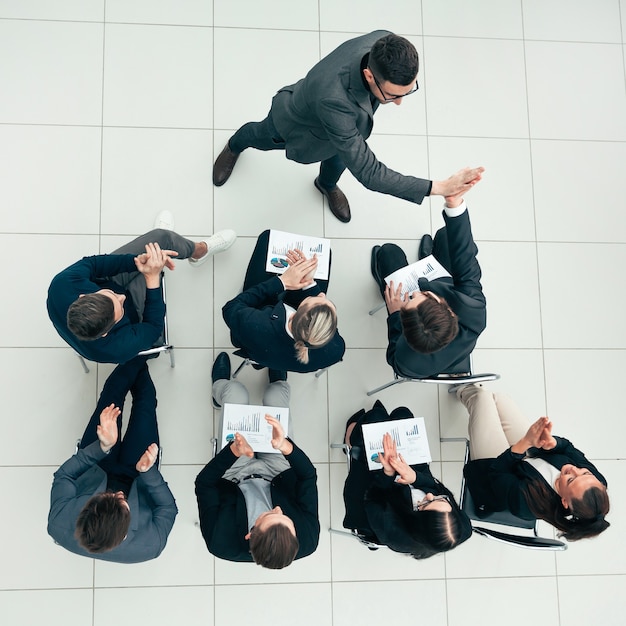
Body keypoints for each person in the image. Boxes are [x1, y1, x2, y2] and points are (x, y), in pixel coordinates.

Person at [212, 30, 483, 223]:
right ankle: (234, 146)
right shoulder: (334, 100)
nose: (399, 103)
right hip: (297, 124)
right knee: (259, 134)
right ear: (368, 75)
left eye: (407, 92)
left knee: (338, 162)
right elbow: (369, 172)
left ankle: (325, 184)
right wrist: (440, 187)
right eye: (392, 95)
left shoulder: (384, 43)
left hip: (342, 133)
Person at [47, 216, 236, 363]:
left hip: (108, 280)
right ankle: (160, 257)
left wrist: (138, 262)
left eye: (111, 295)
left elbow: (93, 264)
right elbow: (153, 328)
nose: (121, 296)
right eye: (119, 306)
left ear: (84, 295)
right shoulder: (114, 347)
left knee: (162, 238)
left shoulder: (61, 284)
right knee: (158, 257)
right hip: (139, 322)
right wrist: (151, 279)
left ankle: (198, 251)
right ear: (105, 332)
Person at [195, 352, 320, 568]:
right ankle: (277, 376)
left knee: (235, 392)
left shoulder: (220, 542)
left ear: (249, 534)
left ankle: (219, 390)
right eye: (286, 518)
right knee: (276, 393)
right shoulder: (307, 538)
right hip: (278, 472)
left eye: (270, 514)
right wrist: (285, 446)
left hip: (234, 477)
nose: (279, 510)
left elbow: (204, 483)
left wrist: (233, 452)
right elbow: (308, 477)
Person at [47, 356, 178, 562]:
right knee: (145, 406)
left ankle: (137, 353)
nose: (117, 492)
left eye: (107, 496)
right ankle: (137, 353)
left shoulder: (58, 522)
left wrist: (103, 446)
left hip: (96, 464)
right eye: (122, 500)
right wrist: (148, 472)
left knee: (111, 397)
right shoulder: (151, 544)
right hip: (138, 475)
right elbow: (168, 508)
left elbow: (64, 476)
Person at [458, 384, 610, 541]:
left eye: (570, 479)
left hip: (494, 470)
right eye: (584, 472)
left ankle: (461, 386)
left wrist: (525, 442)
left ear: (564, 501)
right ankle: (475, 390)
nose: (572, 469)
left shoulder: (528, 505)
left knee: (481, 397)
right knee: (499, 399)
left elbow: (498, 471)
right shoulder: (597, 483)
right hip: (528, 455)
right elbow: (568, 449)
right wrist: (552, 444)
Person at [370, 185, 486, 378]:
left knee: (389, 252)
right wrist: (454, 204)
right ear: (446, 307)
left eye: (410, 301)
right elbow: (465, 256)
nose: (415, 292)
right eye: (423, 295)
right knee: (446, 235)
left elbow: (393, 354)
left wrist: (394, 314)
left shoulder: (408, 363)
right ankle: (430, 260)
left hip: (428, 298)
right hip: (448, 282)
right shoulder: (472, 308)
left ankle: (419, 265)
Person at [342, 400, 471, 558]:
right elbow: (432, 488)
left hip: (375, 491)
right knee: (403, 414)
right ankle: (379, 425)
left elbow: (373, 499)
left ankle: (350, 438)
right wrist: (415, 478)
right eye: (441, 499)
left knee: (375, 417)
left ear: (417, 520)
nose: (429, 495)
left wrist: (388, 472)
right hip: (411, 475)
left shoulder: (394, 533)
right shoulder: (458, 529)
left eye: (425, 504)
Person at [222, 230, 345, 375]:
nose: (323, 294)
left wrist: (281, 282)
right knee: (326, 255)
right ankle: (275, 369)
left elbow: (231, 307)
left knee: (266, 239)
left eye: (316, 299)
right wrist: (309, 283)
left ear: (293, 316)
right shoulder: (336, 350)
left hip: (263, 325)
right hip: (280, 354)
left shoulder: (255, 325)